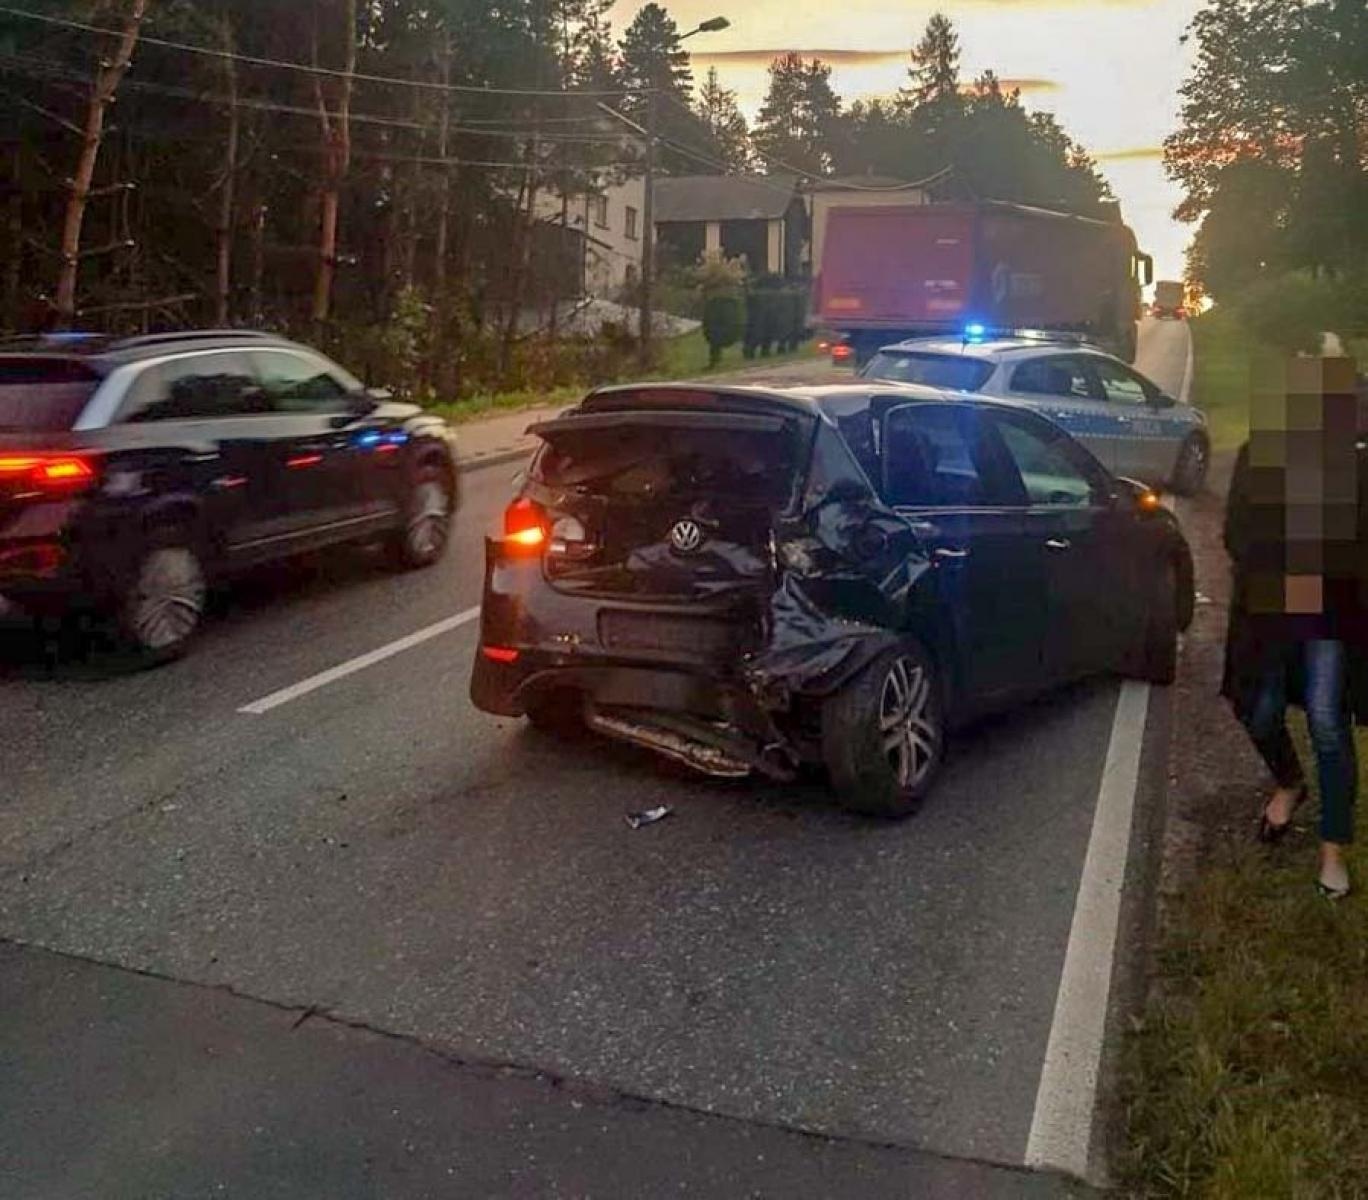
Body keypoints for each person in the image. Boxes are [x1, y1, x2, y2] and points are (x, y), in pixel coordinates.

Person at [1222, 354, 1366, 898]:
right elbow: (1235, 533)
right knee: (1258, 711)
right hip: (1269, 607)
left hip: (1332, 610)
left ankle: (1332, 850)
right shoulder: (1257, 456)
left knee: (1329, 722)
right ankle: (1289, 782)